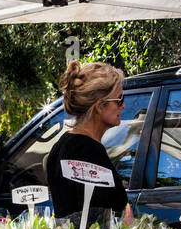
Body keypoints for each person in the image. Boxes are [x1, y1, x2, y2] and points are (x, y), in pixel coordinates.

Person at [45, 60, 131, 220]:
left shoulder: (62, 145)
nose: (123, 106)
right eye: (119, 99)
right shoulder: (89, 151)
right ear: (100, 106)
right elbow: (102, 219)